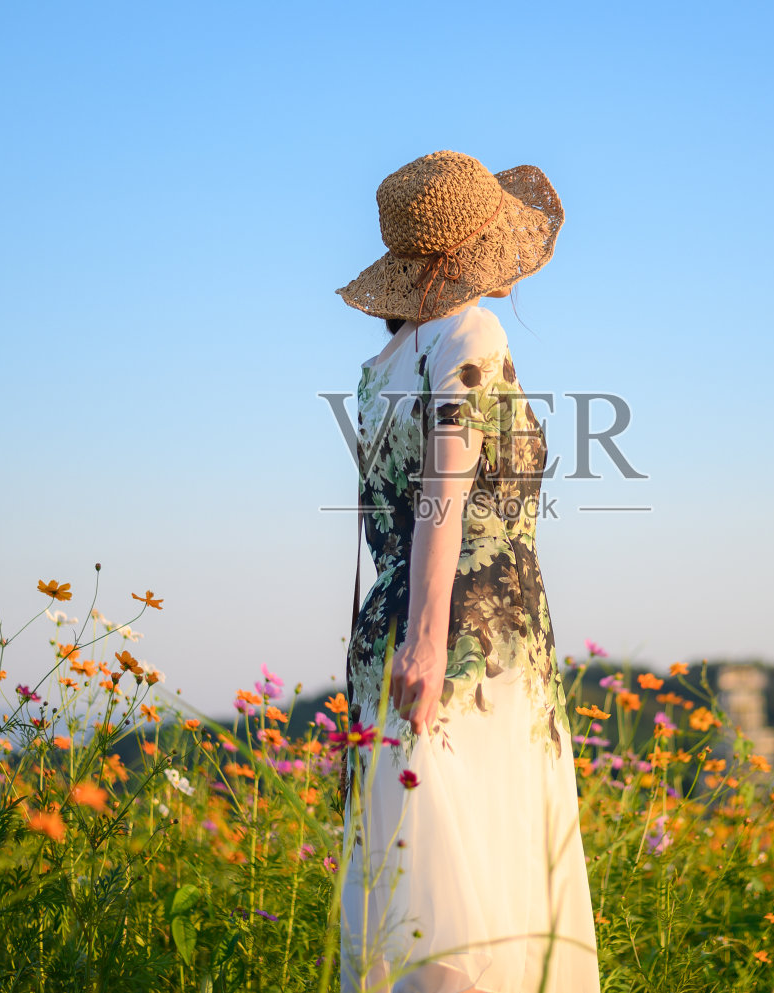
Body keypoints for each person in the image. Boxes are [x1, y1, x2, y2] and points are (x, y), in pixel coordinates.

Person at [334, 151, 601, 993]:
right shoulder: (472, 333)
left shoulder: (381, 369)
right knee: (472, 920)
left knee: (416, 897)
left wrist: (406, 637)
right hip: (468, 650)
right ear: (473, 251)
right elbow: (441, 492)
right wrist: (426, 639)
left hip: (395, 639)